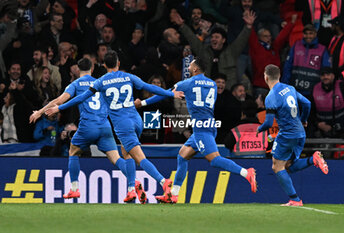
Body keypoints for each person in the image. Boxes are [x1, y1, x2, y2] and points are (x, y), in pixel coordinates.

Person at [45, 51, 185, 201]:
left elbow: (80, 98)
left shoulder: (100, 82)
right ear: (118, 63)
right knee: (126, 154)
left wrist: (58, 108)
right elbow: (149, 87)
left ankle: (164, 182)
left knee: (140, 158)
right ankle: (131, 189)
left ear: (104, 65)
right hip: (136, 120)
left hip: (123, 125)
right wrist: (170, 94)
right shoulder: (128, 76)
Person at [137, 58, 257, 204]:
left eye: (191, 64)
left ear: (195, 69)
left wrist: (142, 103)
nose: (189, 66)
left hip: (201, 128)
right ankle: (173, 195)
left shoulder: (187, 83)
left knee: (214, 160)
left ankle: (246, 173)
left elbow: (163, 93)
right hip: (209, 125)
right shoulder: (212, 84)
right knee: (182, 156)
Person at [30, 58, 147, 204]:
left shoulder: (76, 84)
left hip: (87, 127)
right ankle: (133, 181)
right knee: (116, 158)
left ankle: (74, 188)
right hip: (105, 127)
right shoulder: (102, 81)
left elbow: (60, 101)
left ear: (78, 70)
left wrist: (39, 112)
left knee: (73, 151)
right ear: (92, 69)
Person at [257, 64, 329, 206]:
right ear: (279, 76)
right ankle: (313, 160)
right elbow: (307, 103)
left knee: (277, 167)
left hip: (287, 134)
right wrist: (303, 120)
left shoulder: (271, 96)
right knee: (288, 166)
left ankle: (295, 200)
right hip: (300, 133)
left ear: (265, 77)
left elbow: (268, 123)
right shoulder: (290, 88)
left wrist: (258, 130)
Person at [282, 24, 331, 98]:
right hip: (295, 90)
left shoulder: (322, 49)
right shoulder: (296, 46)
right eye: (306, 33)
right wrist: (285, 85)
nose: (308, 36)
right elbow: (287, 66)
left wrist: (323, 89)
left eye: (311, 33)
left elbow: (326, 69)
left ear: (315, 34)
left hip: (313, 92)